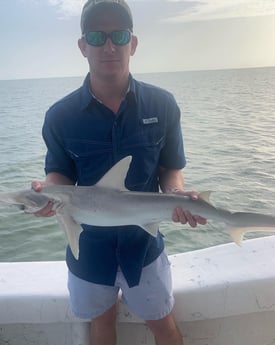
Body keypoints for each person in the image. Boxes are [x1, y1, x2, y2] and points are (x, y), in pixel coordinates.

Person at [32, 1, 206, 344]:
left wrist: (175, 195)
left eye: (119, 35)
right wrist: (46, 194)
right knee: (101, 327)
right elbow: (60, 175)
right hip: (88, 246)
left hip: (144, 245)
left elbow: (171, 167)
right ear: (83, 46)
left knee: (163, 325)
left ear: (133, 43)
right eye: (96, 37)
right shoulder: (60, 116)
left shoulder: (163, 105)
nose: (108, 46)